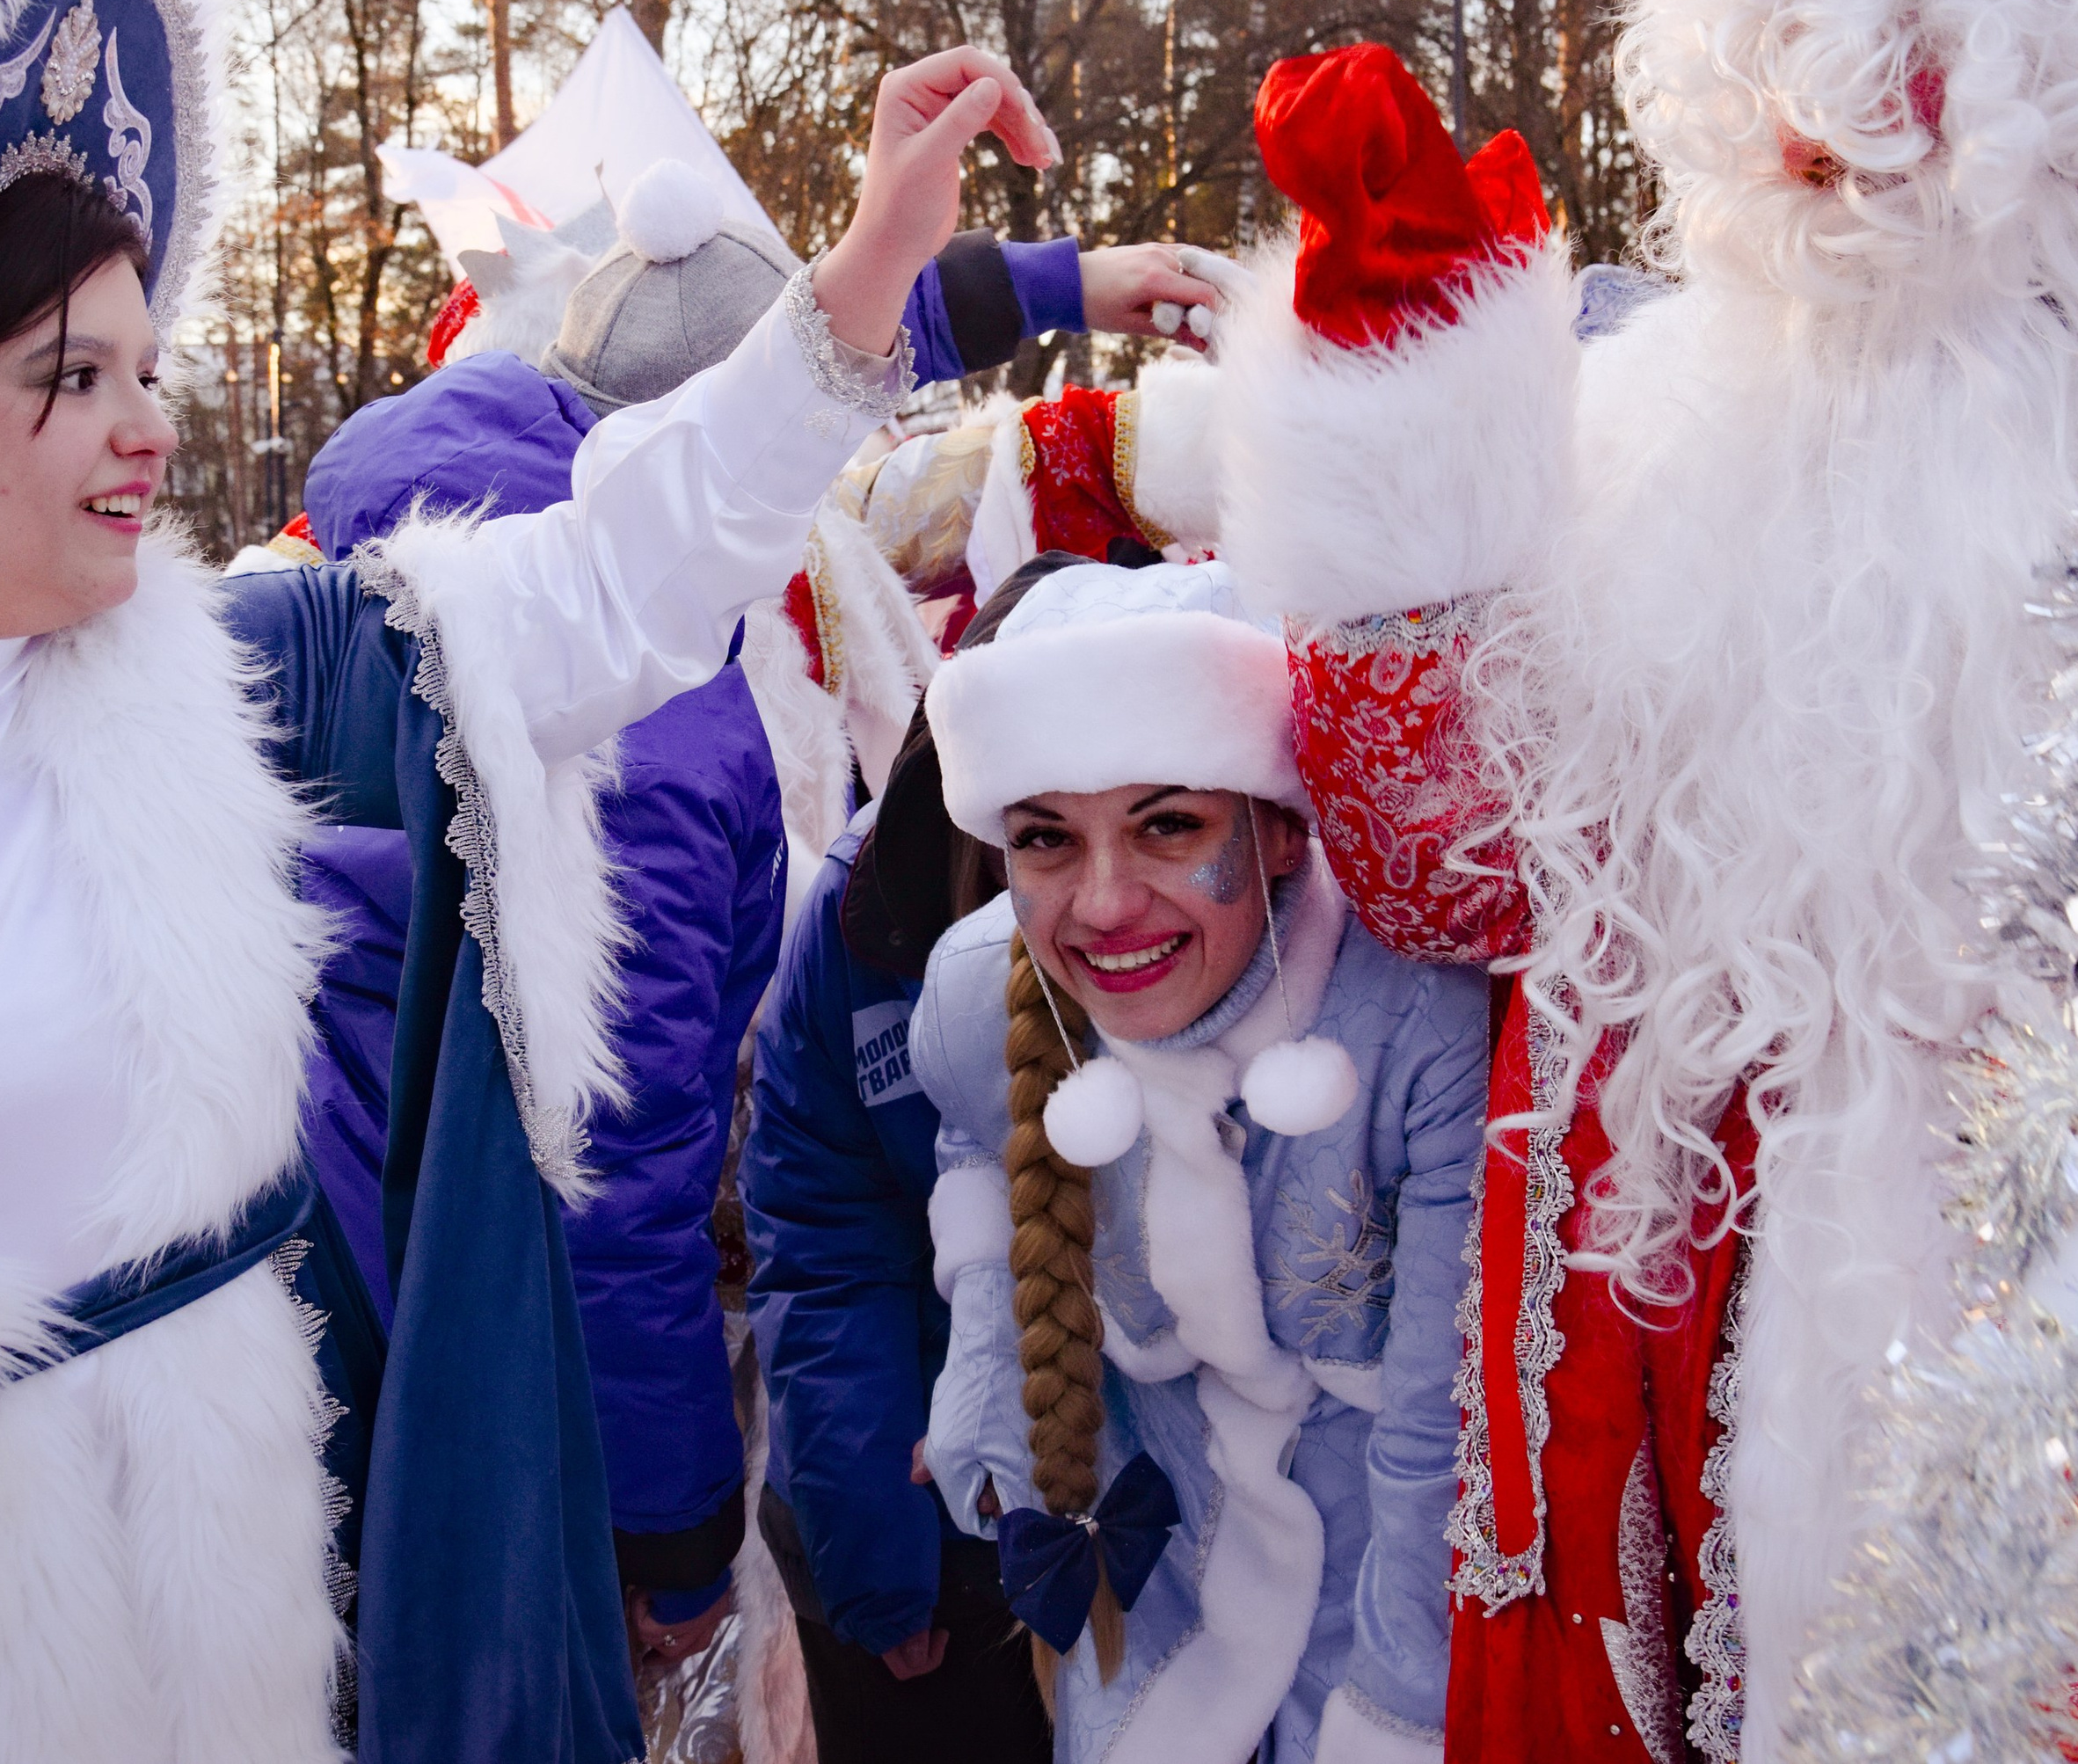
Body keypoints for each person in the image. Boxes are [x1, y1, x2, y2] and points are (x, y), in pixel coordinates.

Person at [1211, 0, 2078, 1764]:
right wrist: (1399, 429)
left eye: (1890, 62)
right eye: (1767, 60)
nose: (1808, 141)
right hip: (1684, 1415)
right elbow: (1441, 871)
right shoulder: (1640, 440)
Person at [0, 0, 1052, 1763]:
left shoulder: (252, 673)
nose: (146, 431)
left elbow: (611, 578)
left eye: (150, 370)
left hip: (252, 1626)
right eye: (74, 376)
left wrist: (864, 273)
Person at [283, 162, 1219, 1673]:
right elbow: (611, 1173)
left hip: (352, 1255)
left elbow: (814, 355)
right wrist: (674, 1533)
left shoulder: (461, 503)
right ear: (732, 445)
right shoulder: (648, 730)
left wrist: (1063, 282)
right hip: (499, 1360)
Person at [908, 558, 1489, 1764]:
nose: (1103, 903)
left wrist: (1395, 1718)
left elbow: (1439, 1432)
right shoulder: (971, 999)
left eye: (1168, 825)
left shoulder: (1415, 1013)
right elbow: (980, 1147)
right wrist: (988, 1384)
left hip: (1392, 1597)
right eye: (1047, 840)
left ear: (1278, 830)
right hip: (1159, 1597)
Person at [741, 552, 1086, 1764]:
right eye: (1033, 826)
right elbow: (823, 1237)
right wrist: (879, 1557)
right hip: (922, 1526)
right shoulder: (865, 913)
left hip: (1127, 1517)